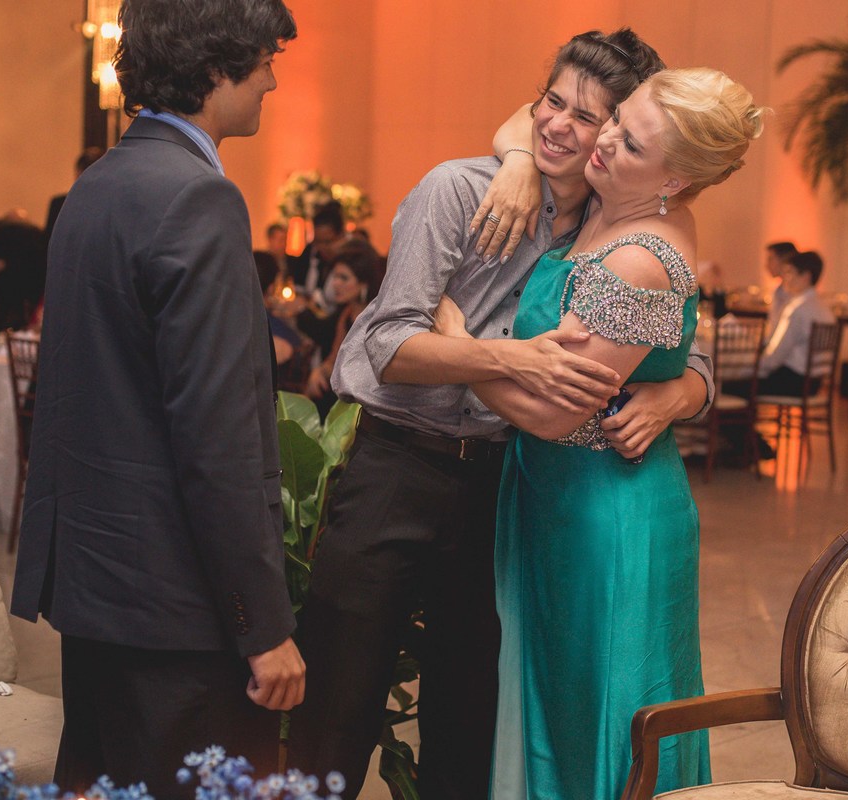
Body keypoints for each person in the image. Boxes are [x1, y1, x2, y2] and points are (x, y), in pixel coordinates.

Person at [288, 30, 715, 800]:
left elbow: (680, 331)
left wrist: (684, 390)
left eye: (588, 117)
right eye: (551, 102)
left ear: (616, 137)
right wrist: (508, 358)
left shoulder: (608, 220)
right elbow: (386, 343)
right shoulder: (458, 190)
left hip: (501, 486)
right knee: (337, 708)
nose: (559, 125)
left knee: (469, 723)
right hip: (398, 467)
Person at [432, 66, 765, 799]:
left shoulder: (640, 258)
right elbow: (526, 118)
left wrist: (455, 346)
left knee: (604, 711)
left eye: (631, 143)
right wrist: (519, 163)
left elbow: (555, 413)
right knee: (556, 703)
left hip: (605, 517)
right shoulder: (610, 195)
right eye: (617, 120)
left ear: (674, 181)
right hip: (553, 497)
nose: (605, 141)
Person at [9, 3, 303, 797]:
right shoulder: (198, 198)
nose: (272, 80)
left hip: (98, 585)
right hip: (175, 604)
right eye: (265, 60)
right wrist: (262, 625)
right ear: (214, 67)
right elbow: (217, 439)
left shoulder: (98, 184)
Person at [304, 239, 383, 416]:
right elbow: (335, 358)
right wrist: (319, 371)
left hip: (365, 401)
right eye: (335, 276)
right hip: (345, 391)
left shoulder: (375, 318)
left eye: (344, 278)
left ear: (363, 283)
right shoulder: (346, 314)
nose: (335, 284)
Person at [755, 249, 835, 395]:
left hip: (793, 381)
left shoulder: (796, 309)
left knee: (730, 385)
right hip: (815, 383)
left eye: (789, 273)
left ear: (806, 276)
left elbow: (776, 355)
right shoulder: (825, 309)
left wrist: (753, 367)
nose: (785, 278)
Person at [763, 240, 797, 325]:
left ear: (784, 260)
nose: (766, 265)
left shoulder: (795, 293)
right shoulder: (779, 291)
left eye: (770, 259)